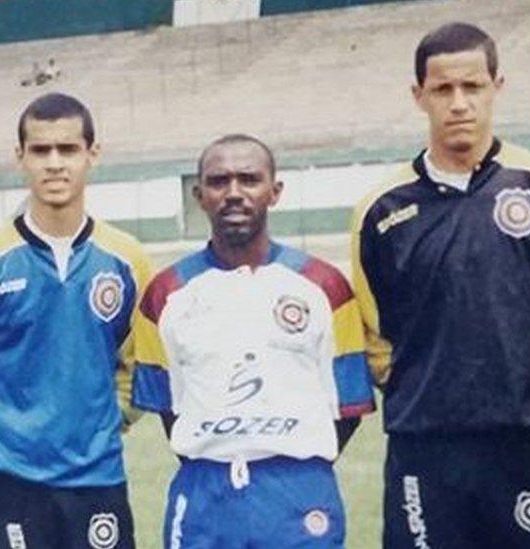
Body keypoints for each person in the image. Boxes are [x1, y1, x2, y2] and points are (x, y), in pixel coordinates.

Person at [351, 23, 530, 548]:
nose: (459, 104)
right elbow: (374, 331)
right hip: (424, 448)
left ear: (497, 86)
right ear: (418, 96)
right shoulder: (382, 209)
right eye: (443, 90)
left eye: (472, 87)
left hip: (527, 443)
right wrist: (423, 393)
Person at [132, 134, 376, 548]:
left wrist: (286, 455)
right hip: (204, 490)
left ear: (274, 191)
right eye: (218, 181)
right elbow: (168, 406)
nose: (234, 193)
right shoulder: (165, 294)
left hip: (298, 491)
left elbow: (347, 407)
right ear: (199, 195)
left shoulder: (325, 288)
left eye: (249, 179)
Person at [0, 93, 152, 548]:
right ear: (21, 158)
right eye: (40, 150)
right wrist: (12, 427)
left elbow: (141, 359)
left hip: (97, 477)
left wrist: (109, 418)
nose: (55, 164)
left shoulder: (127, 260)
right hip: (9, 483)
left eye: (68, 149)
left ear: (92, 155)